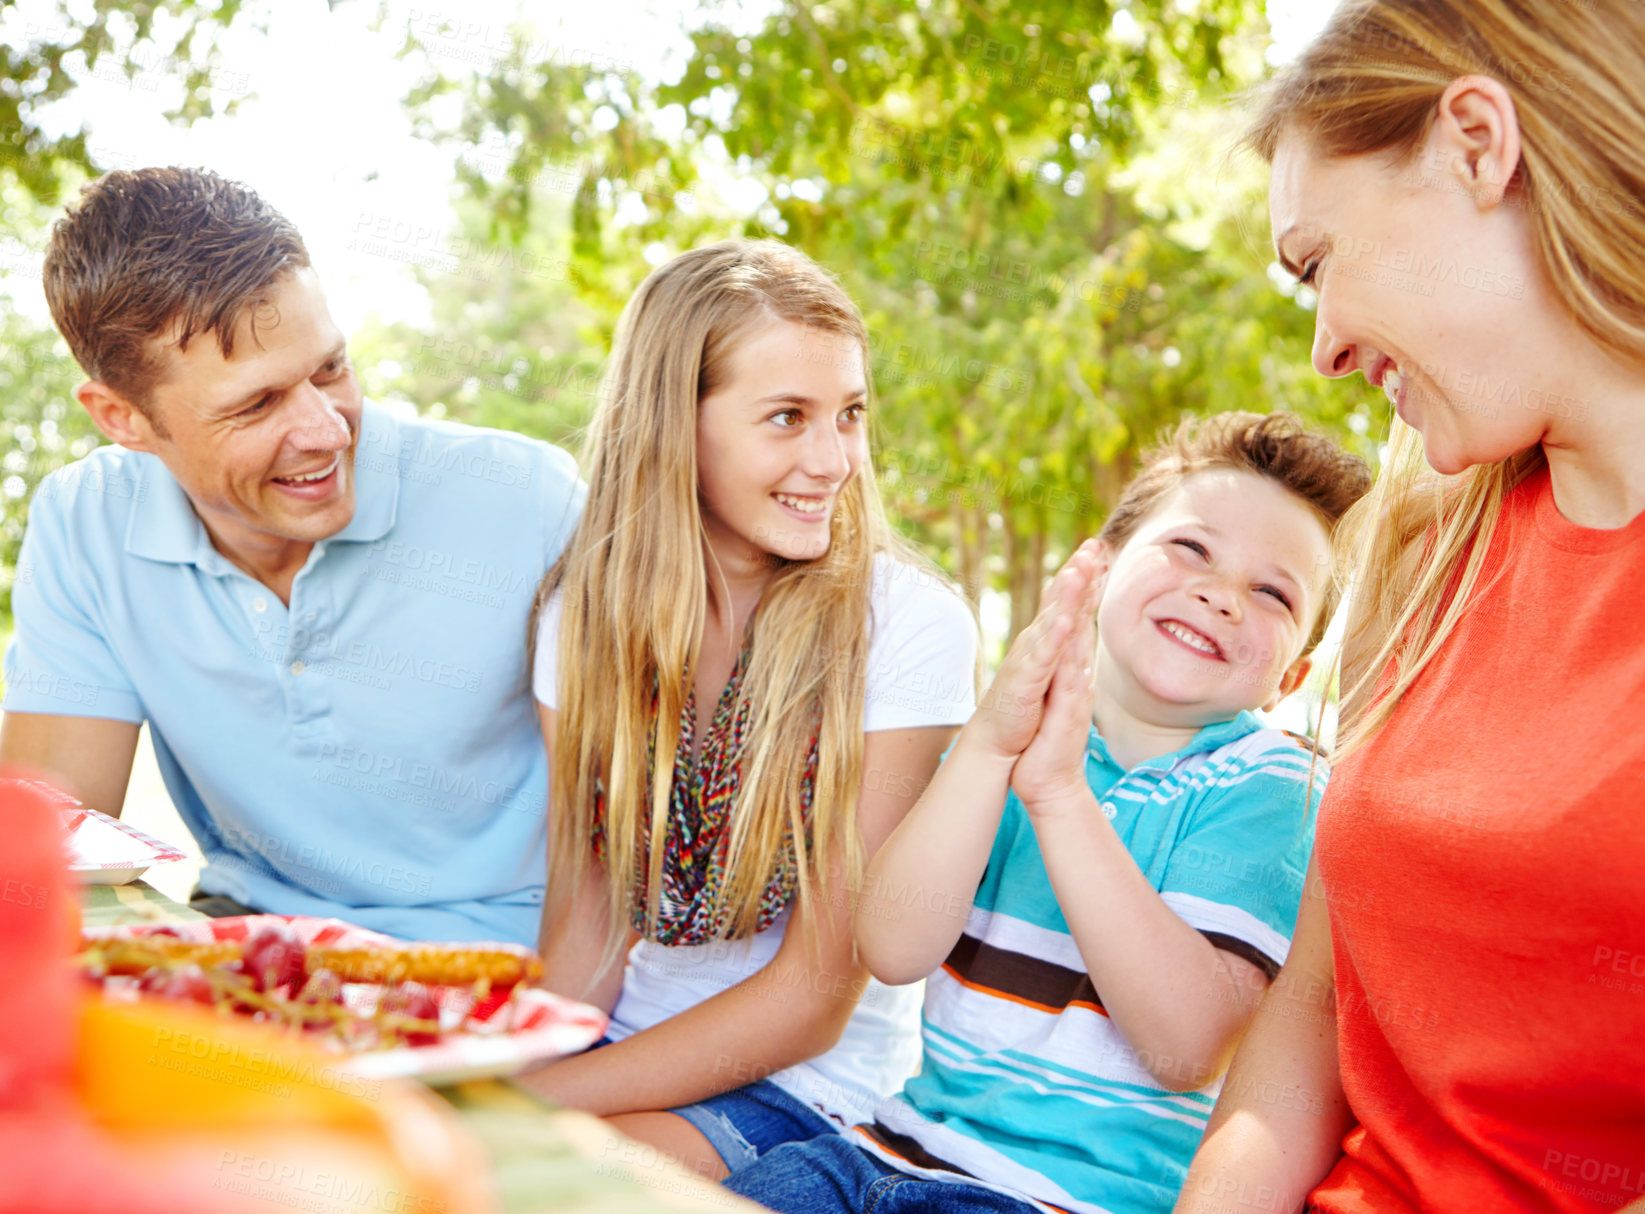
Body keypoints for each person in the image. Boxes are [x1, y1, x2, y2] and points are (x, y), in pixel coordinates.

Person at [1175, 3, 1645, 1213]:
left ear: (1477, 146)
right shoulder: (1425, 542)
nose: (1324, 347)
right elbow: (1322, 1002)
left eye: (1318, 261)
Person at [724, 412, 1372, 1214]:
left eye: (1271, 592)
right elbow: (891, 947)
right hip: (882, 1151)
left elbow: (1187, 1045)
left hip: (1061, 1201)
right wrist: (994, 749)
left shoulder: (1273, 788)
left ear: (1292, 676)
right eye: (1191, 548)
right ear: (1095, 573)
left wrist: (1060, 795)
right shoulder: (1001, 736)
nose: (1219, 595)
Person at [0, 167, 583, 945]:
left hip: (507, 958)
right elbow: (49, 848)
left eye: (331, 369)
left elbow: (627, 851)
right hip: (252, 942)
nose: (327, 430)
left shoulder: (528, 500)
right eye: (257, 403)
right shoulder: (86, 523)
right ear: (123, 417)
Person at [519, 239, 979, 1179]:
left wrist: (536, 1106)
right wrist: (504, 1087)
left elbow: (813, 995)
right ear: (671, 425)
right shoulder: (581, 619)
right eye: (786, 418)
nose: (833, 459)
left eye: (848, 416)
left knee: (543, 1188)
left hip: (805, 1086)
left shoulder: (903, 626)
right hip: (623, 1051)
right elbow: (589, 926)